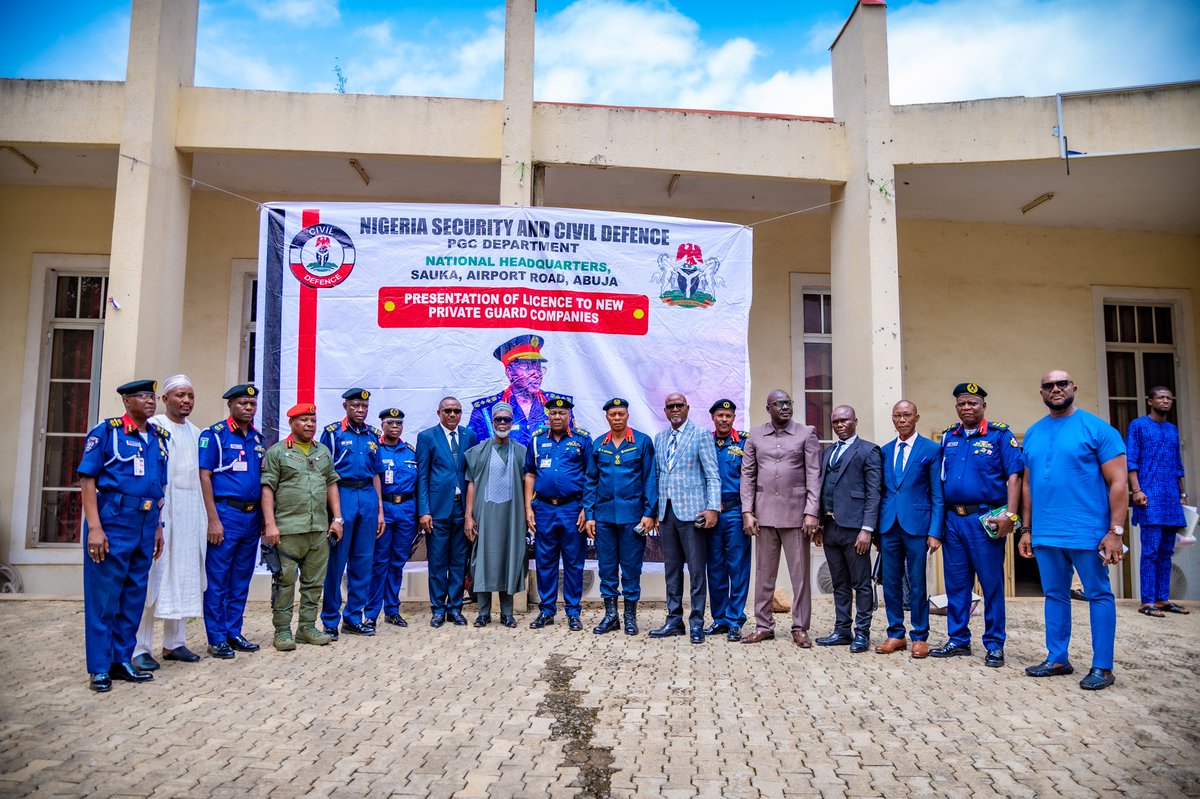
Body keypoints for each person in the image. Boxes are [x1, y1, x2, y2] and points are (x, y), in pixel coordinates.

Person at [1019, 371, 1127, 690]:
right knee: (1054, 594)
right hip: (1046, 532)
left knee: (1098, 594)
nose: (1056, 389)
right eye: (1049, 385)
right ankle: (1057, 658)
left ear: (1073, 388)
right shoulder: (1035, 433)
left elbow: (1118, 482)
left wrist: (1115, 531)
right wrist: (1026, 529)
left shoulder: (1097, 430)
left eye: (1062, 384)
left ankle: (1103, 667)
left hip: (1088, 530)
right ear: (1041, 392)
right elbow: (1027, 483)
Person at [77, 379, 168, 692]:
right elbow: (87, 481)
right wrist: (95, 528)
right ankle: (100, 667)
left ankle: (121, 659)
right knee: (105, 596)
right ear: (127, 401)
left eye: (153, 396)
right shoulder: (108, 431)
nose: (150, 401)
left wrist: (158, 526)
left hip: (146, 522)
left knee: (133, 594)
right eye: (143, 396)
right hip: (113, 520)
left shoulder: (158, 437)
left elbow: (159, 488)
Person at [932, 382, 1023, 668]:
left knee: (991, 584)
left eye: (972, 403)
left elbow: (1015, 478)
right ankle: (958, 640)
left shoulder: (999, 436)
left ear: (983, 406)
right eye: (962, 403)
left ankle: (995, 644)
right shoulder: (949, 437)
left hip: (985, 520)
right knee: (957, 584)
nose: (967, 408)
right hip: (953, 520)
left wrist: (1010, 516)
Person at [133, 375, 205, 671]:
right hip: (163, 509)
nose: (186, 400)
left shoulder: (197, 432)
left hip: (190, 512)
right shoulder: (155, 427)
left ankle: (174, 643)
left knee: (184, 572)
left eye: (190, 395)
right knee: (154, 576)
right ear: (165, 400)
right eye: (179, 395)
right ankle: (139, 647)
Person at [739, 390, 821, 648]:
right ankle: (764, 626)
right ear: (768, 408)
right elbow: (748, 475)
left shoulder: (806, 433)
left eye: (789, 403)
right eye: (779, 404)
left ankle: (800, 627)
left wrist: (811, 512)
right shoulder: (755, 435)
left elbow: (814, 475)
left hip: (796, 514)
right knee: (764, 575)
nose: (785, 408)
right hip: (764, 514)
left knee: (800, 576)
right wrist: (747, 511)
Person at [261, 403, 344, 651]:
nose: (309, 425)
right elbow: (267, 489)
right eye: (304, 420)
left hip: (318, 529)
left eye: (312, 420)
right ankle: (283, 630)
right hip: (287, 528)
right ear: (292, 423)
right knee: (284, 582)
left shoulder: (323, 452)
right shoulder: (277, 452)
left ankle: (307, 627)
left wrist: (337, 519)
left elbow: (331, 484)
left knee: (314, 583)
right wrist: (270, 525)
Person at [198, 383, 266, 660]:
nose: (248, 408)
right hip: (225, 514)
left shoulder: (258, 438)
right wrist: (213, 520)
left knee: (241, 577)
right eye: (243, 404)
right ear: (230, 405)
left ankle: (233, 630)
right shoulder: (214, 435)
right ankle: (216, 638)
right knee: (218, 579)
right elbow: (204, 476)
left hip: (251, 516)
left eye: (252, 404)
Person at [649, 392, 721, 644]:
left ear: (687, 408)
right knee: (672, 569)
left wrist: (713, 508)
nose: (675, 409)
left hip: (694, 514)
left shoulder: (700, 435)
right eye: (671, 406)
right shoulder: (659, 438)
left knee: (697, 570)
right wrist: (656, 512)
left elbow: (712, 475)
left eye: (679, 405)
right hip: (667, 514)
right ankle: (674, 620)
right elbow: (658, 476)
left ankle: (697, 622)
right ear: (665, 410)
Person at [584, 398, 657, 635]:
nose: (617, 418)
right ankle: (611, 616)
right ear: (606, 417)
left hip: (632, 518)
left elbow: (650, 479)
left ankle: (630, 617)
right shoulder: (598, 444)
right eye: (613, 414)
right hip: (604, 518)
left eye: (621, 414)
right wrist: (590, 515)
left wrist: (649, 512)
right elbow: (591, 481)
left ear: (627, 415)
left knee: (631, 567)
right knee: (606, 567)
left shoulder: (642, 442)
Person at [875, 400, 943, 658]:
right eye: (897, 416)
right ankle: (895, 633)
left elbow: (937, 494)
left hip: (917, 526)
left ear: (916, 417)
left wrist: (936, 531)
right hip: (889, 525)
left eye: (907, 415)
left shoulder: (931, 449)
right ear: (892, 419)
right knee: (890, 582)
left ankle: (920, 636)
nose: (902, 420)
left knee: (917, 583)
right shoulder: (884, 451)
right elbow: (882, 490)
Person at [815, 405, 882, 653]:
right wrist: (820, 524)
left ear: (855, 421)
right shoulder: (828, 452)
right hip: (831, 526)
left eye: (845, 420)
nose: (840, 425)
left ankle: (862, 633)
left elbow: (873, 493)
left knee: (861, 583)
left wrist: (867, 529)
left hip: (856, 529)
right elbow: (822, 488)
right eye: (835, 421)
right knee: (839, 582)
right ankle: (842, 630)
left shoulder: (868, 450)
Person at [319, 388, 385, 639]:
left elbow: (377, 473)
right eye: (356, 405)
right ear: (345, 406)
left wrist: (379, 510)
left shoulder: (373, 435)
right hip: (342, 494)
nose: (360, 410)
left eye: (364, 407)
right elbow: (325, 473)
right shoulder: (333, 433)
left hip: (367, 496)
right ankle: (329, 620)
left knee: (363, 561)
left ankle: (354, 618)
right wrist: (333, 514)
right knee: (336, 562)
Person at [524, 397, 592, 631]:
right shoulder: (536, 440)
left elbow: (591, 476)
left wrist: (586, 507)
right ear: (548, 416)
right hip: (543, 509)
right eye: (553, 413)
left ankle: (573, 612)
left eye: (562, 414)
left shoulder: (582, 440)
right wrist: (527, 509)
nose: (557, 417)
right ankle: (547, 610)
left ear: (569, 416)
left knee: (574, 562)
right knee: (545, 561)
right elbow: (530, 475)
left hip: (572, 509)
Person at [464, 403, 529, 627]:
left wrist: (528, 513)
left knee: (508, 559)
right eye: (498, 420)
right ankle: (483, 613)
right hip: (484, 515)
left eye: (506, 420)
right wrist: (469, 516)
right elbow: (471, 483)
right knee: (483, 561)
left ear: (512, 423)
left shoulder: (521, 452)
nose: (502, 423)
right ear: (492, 423)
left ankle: (507, 613)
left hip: (512, 517)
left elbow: (528, 484)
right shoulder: (479, 451)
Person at [1127, 386, 1189, 616]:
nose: (1165, 401)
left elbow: (1177, 466)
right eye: (1161, 398)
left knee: (1166, 552)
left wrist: (1182, 494)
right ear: (1150, 401)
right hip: (1149, 497)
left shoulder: (1172, 430)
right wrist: (1136, 490)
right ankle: (1147, 601)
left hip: (1171, 498)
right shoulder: (1138, 425)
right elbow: (1131, 460)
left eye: (1169, 398)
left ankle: (1163, 599)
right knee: (1150, 551)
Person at [417, 396, 478, 627]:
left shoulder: (469, 436)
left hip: (462, 510)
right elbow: (422, 477)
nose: (452, 415)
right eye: (448, 411)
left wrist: (471, 513)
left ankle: (455, 608)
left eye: (457, 411)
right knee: (437, 562)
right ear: (439, 413)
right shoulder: (427, 437)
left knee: (459, 562)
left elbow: (472, 474)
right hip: (437, 510)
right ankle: (437, 609)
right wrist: (424, 511)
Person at [364, 408, 419, 629]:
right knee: (379, 563)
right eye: (390, 423)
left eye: (398, 423)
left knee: (398, 562)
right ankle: (371, 612)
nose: (395, 426)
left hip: (406, 510)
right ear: (382, 425)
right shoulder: (374, 449)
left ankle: (392, 610)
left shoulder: (410, 452)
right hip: (384, 509)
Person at [468, 334, 573, 447]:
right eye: (527, 368)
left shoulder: (559, 406)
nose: (536, 374)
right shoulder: (485, 410)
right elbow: (475, 453)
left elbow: (571, 446)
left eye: (538, 367)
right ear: (509, 372)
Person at [705, 399, 752, 642]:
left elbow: (752, 478)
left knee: (738, 568)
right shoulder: (705, 441)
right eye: (720, 415)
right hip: (712, 515)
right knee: (715, 568)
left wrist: (749, 512)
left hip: (735, 512)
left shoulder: (744, 441)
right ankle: (720, 618)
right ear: (713, 417)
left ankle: (735, 620)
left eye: (728, 416)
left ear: (734, 418)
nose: (724, 419)